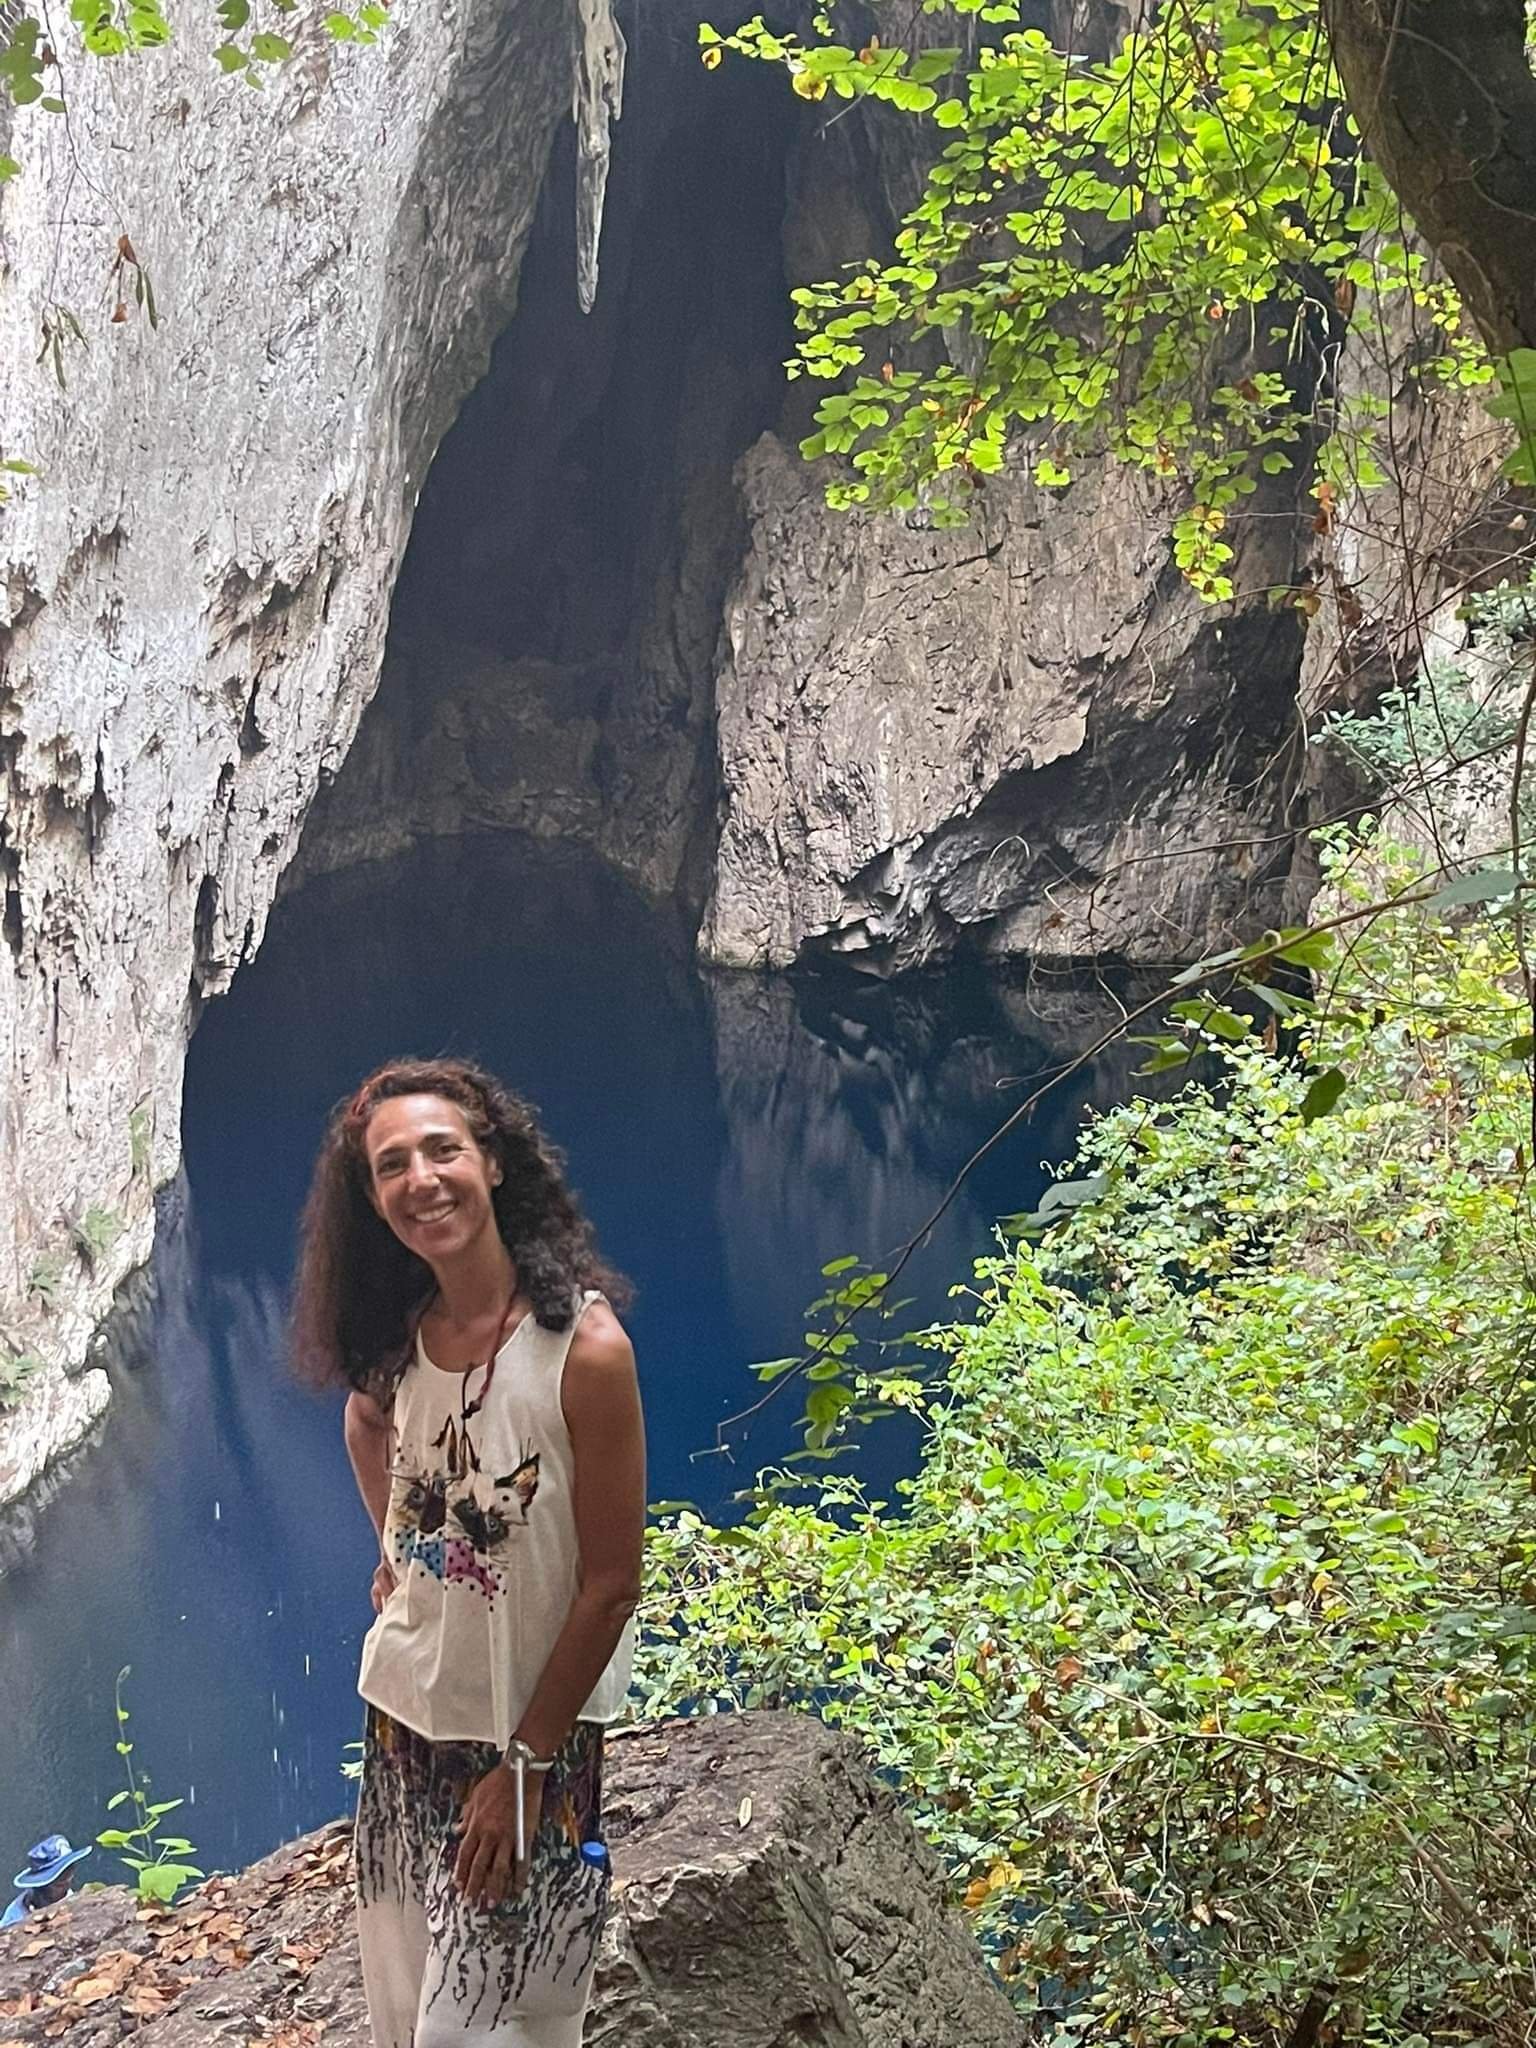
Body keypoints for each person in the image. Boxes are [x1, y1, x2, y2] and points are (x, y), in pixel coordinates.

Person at [291, 1059, 645, 2048]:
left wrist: (525, 1767)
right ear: (374, 1200)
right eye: (391, 1165)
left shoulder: (582, 1348)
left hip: (532, 1736)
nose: (421, 1179)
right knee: (407, 2010)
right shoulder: (402, 1339)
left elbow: (612, 1585)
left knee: (502, 2022)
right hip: (407, 1719)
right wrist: (398, 1551)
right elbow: (367, 1421)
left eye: (441, 1149)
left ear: (492, 1161)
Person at [2, 1835, 90, 1929]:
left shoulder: (77, 1901)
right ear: (40, 1885)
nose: (67, 1879)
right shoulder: (15, 1915)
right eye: (59, 1878)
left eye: (69, 1869)